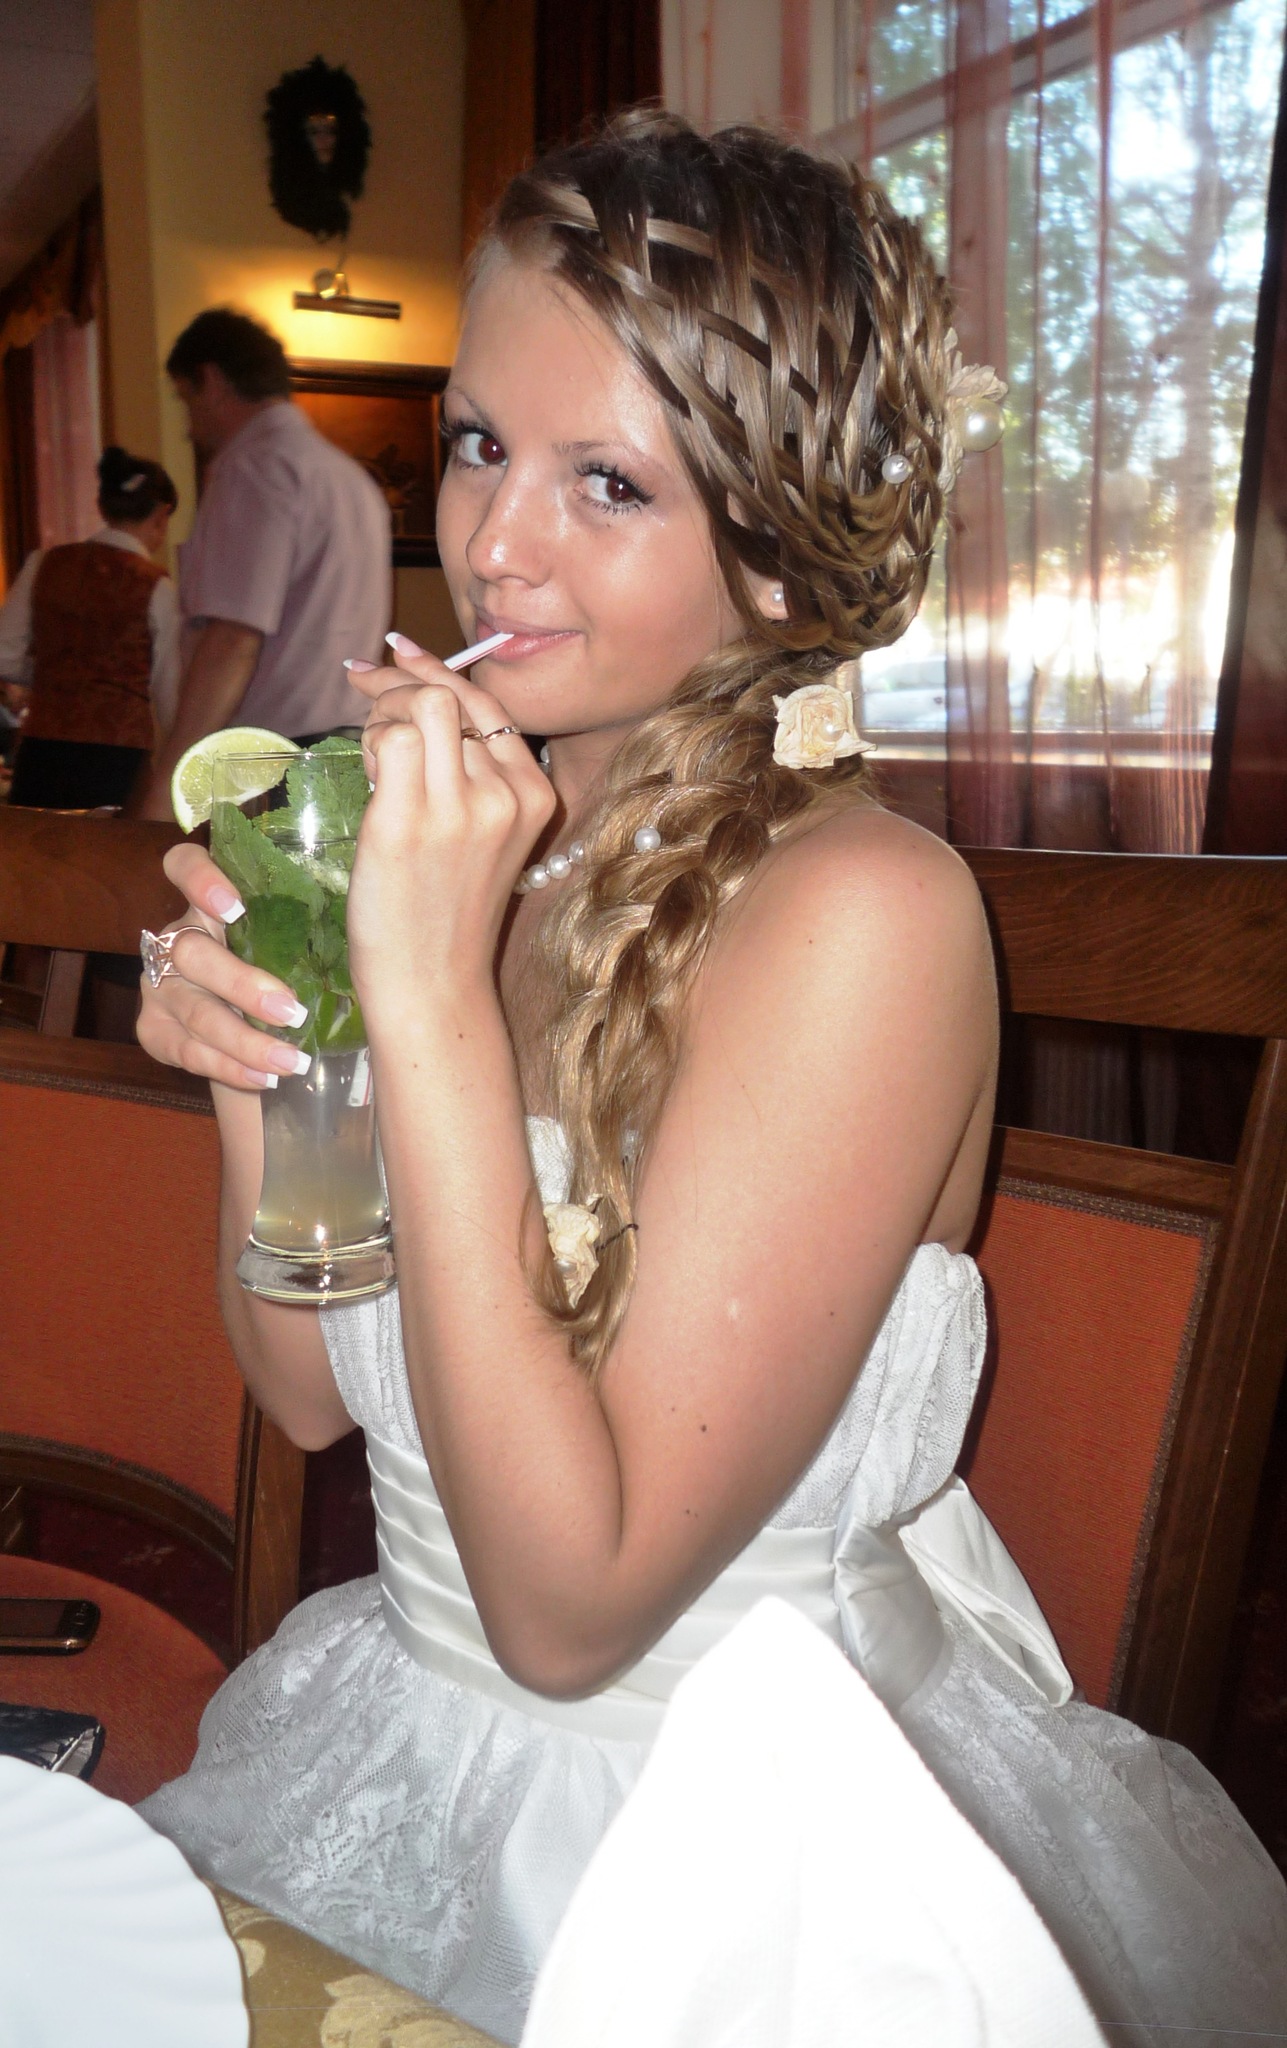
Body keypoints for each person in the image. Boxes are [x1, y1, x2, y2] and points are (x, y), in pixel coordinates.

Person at [134, 115, 1287, 2046]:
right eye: (478, 444)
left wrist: (423, 1004)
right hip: (410, 1730)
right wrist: (272, 1052)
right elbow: (307, 1392)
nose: (494, 542)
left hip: (744, 1855)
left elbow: (568, 1609)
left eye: (606, 481)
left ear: (773, 546)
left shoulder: (861, 921)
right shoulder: (489, 851)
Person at [135, 308, 391, 820]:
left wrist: (167, 786)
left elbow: (233, 640)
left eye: (186, 400)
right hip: (349, 753)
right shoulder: (348, 477)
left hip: (274, 766)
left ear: (211, 381)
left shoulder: (253, 467)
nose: (188, 428)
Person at [0, 446, 179, 809]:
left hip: (43, 751)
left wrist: (57, 675)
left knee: (39, 844)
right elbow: (169, 693)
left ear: (102, 506)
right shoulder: (157, 586)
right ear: (161, 515)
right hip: (119, 758)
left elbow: (4, 655)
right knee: (112, 845)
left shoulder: (43, 564)